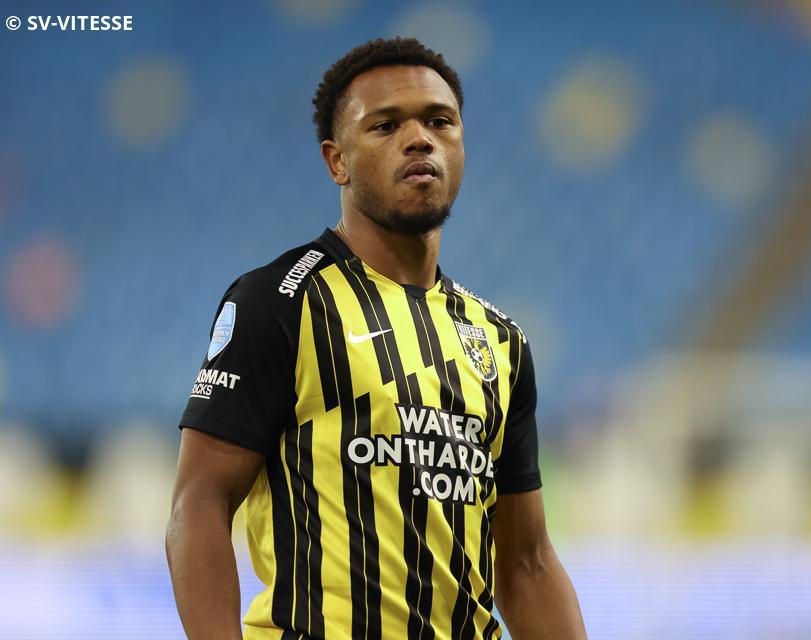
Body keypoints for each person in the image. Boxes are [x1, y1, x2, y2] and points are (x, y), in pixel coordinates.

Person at [166, 37, 587, 640]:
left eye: (440, 121)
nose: (420, 139)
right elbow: (200, 503)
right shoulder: (281, 301)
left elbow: (527, 562)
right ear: (337, 161)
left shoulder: (499, 340)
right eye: (386, 126)